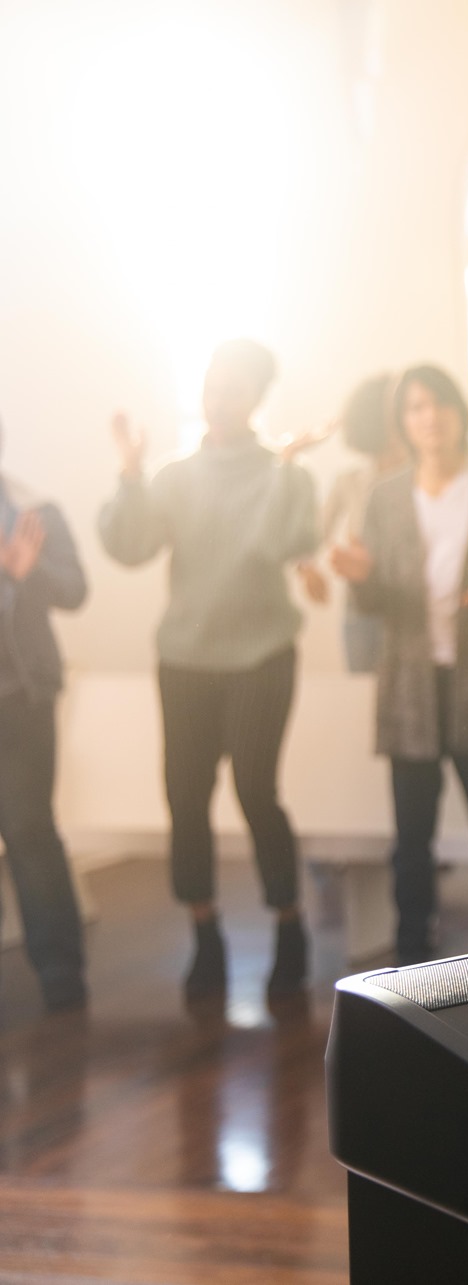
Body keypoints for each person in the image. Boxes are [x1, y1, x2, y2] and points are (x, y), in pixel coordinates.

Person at [100, 340, 321, 1004]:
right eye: (211, 387)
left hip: (261, 655)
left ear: (256, 398)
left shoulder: (286, 473)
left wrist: (284, 472)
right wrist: (130, 476)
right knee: (186, 794)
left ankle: (288, 922)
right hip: (186, 659)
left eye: (233, 389)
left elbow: (292, 543)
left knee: (256, 789)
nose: (218, 400)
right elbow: (128, 546)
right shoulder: (174, 476)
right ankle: (205, 930)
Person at [332, 365, 468, 964]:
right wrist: (360, 580)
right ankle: (411, 951)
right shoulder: (386, 496)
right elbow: (375, 602)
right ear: (403, 421)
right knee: (412, 837)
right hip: (410, 687)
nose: (430, 418)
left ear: (460, 413)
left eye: (440, 404)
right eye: (417, 407)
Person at [0, 419, 89, 1013]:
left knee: (29, 828)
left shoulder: (37, 510)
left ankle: (61, 973)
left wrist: (26, 574)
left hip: (23, 698)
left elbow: (75, 590)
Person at [302, 374, 405, 674]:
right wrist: (307, 566)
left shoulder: (426, 477)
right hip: (362, 605)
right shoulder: (350, 481)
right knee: (364, 693)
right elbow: (313, 533)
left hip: (413, 605)